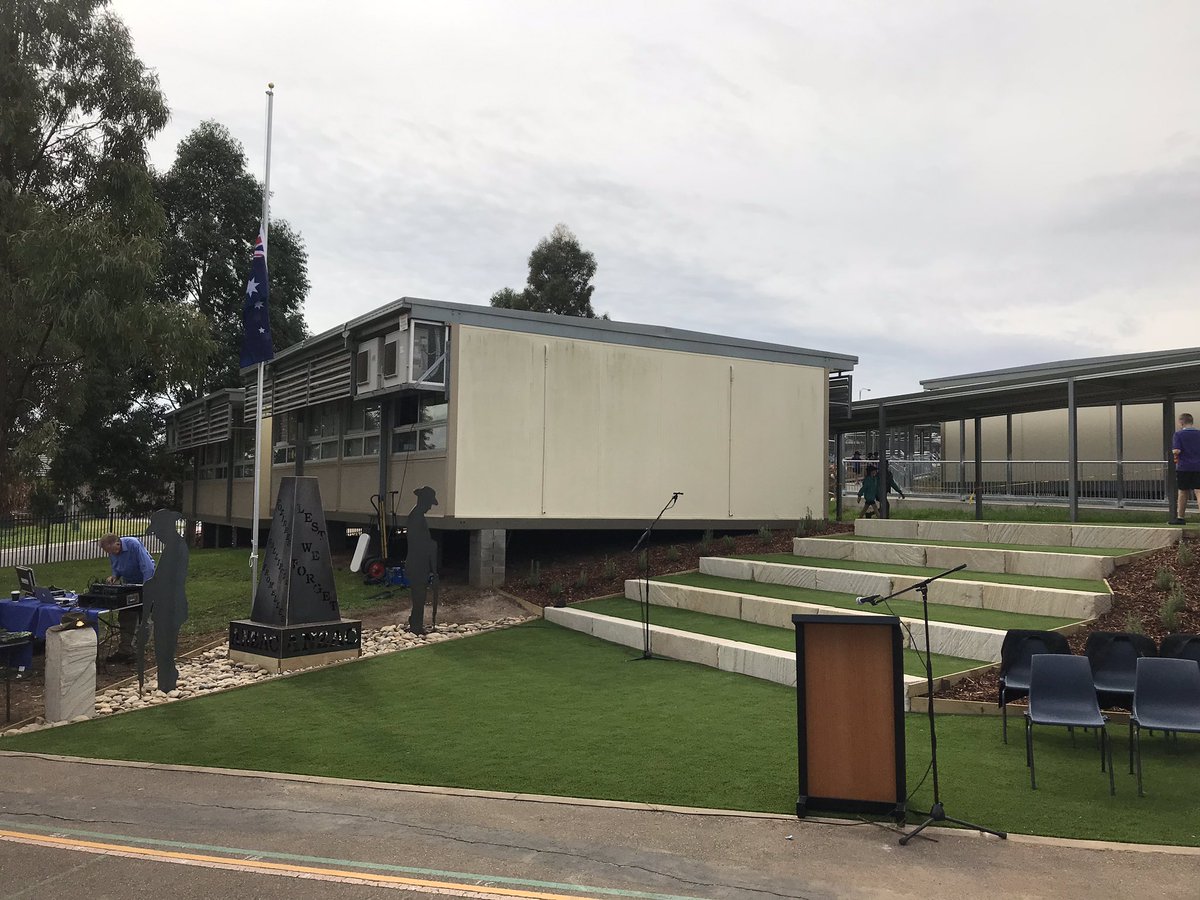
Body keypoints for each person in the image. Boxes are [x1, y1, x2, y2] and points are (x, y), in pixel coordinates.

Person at [140, 510, 189, 693]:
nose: (157, 536)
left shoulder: (176, 548)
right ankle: (166, 682)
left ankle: (167, 683)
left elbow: (167, 581)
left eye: (158, 531)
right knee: (163, 649)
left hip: (171, 606)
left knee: (165, 648)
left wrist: (150, 586)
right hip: (166, 606)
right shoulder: (173, 547)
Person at [99, 532, 155, 664]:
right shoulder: (112, 552)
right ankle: (125, 650)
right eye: (108, 552)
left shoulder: (133, 544)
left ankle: (138, 650)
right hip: (129, 584)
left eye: (111, 550)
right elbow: (117, 568)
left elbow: (147, 567)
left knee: (144, 618)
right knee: (126, 616)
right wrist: (114, 576)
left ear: (117, 543)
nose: (111, 553)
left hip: (146, 582)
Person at [1170, 412, 1200, 525]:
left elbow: (1176, 450)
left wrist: (1174, 453)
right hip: (1198, 466)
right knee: (1199, 491)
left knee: (1183, 491)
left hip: (1184, 467)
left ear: (1181, 422)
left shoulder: (1178, 434)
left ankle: (1180, 517)